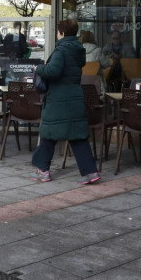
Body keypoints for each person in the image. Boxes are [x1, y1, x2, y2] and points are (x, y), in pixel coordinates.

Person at [30, 18, 100, 184]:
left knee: (49, 133)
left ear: (62, 32)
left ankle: (43, 170)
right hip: (74, 97)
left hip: (59, 100)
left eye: (58, 31)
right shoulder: (77, 49)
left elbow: (53, 71)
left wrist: (38, 68)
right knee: (77, 136)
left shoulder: (62, 49)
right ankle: (90, 172)